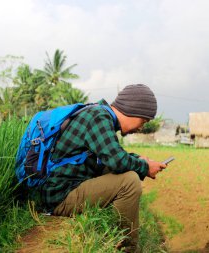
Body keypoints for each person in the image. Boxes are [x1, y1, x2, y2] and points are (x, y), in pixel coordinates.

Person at [39, 84, 167, 252]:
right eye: (143, 120)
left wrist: (138, 160)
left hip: (60, 190)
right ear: (132, 110)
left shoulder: (98, 114)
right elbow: (117, 161)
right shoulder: (99, 117)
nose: (141, 127)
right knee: (129, 181)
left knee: (125, 172)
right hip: (60, 197)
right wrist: (144, 167)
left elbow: (109, 157)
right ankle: (128, 248)